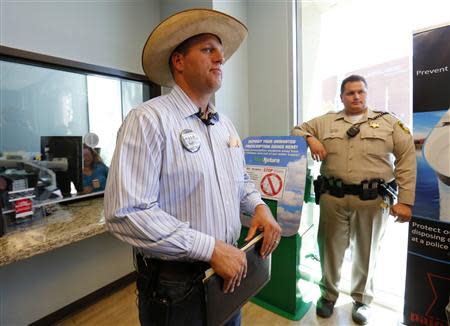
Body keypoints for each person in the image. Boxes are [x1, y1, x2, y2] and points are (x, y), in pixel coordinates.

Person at [104, 8, 281, 326]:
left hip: (229, 275)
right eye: (208, 50)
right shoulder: (148, 120)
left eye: (221, 53)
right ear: (179, 61)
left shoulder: (225, 125)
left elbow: (239, 180)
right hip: (176, 290)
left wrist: (259, 206)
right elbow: (126, 212)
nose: (220, 59)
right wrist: (210, 248)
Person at [292, 75, 416, 325]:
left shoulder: (389, 123)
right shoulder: (325, 122)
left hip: (371, 201)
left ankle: (362, 300)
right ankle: (328, 295)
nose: (356, 97)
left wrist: (405, 200)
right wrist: (310, 139)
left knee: (367, 252)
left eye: (360, 92)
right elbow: (297, 129)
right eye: (350, 93)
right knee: (329, 249)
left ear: (367, 94)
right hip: (332, 199)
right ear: (342, 97)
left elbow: (406, 157)